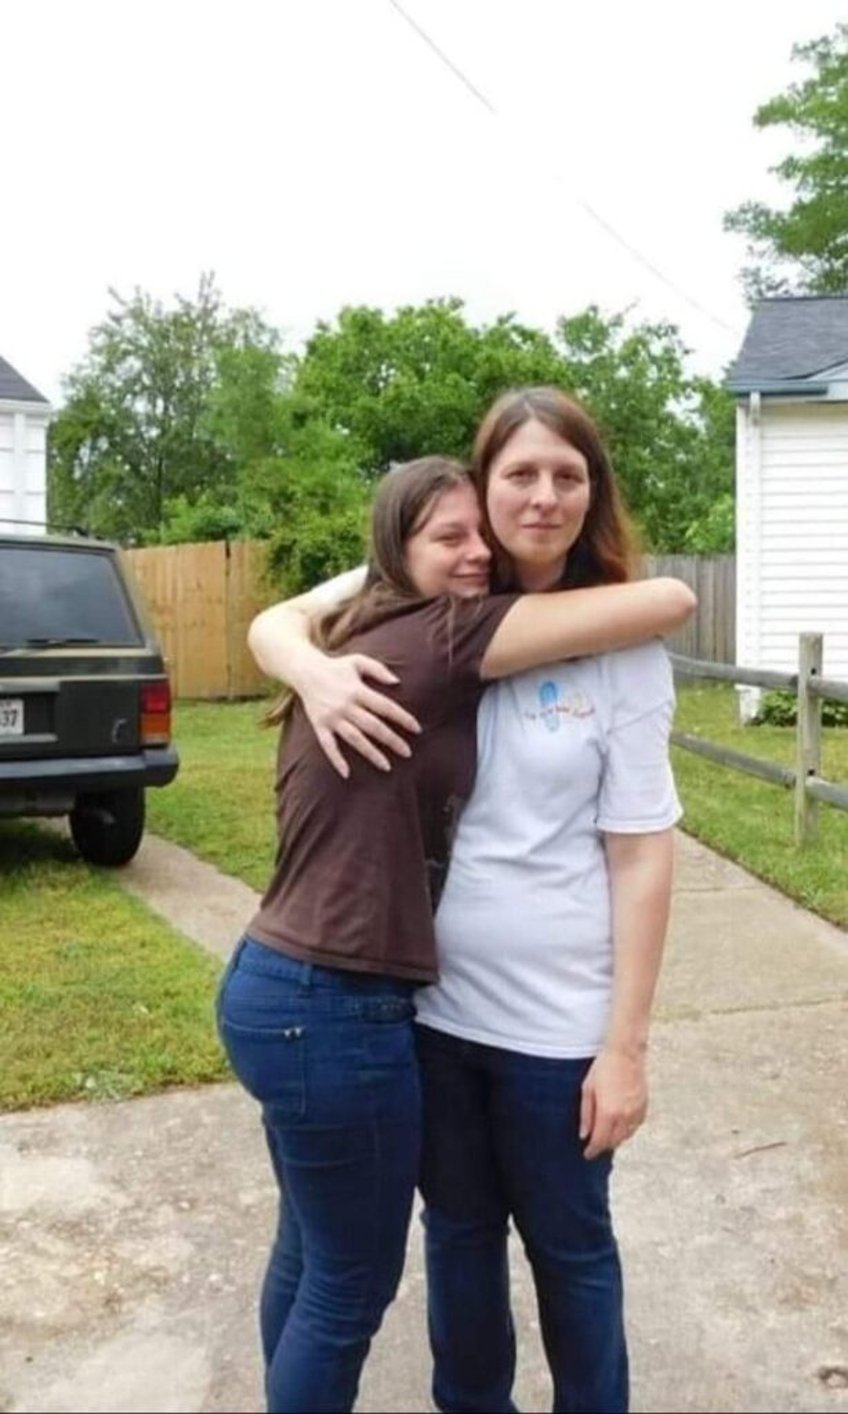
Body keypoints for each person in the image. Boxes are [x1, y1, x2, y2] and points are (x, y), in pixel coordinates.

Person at [249, 387, 691, 1414]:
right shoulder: (430, 610)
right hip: (428, 1011)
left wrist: (622, 1045)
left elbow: (640, 854)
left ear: (595, 491)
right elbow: (287, 614)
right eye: (519, 475)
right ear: (481, 489)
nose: (542, 497)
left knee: (570, 1251)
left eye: (567, 475)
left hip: (557, 1025)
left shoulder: (618, 646)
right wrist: (304, 668)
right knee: (455, 1238)